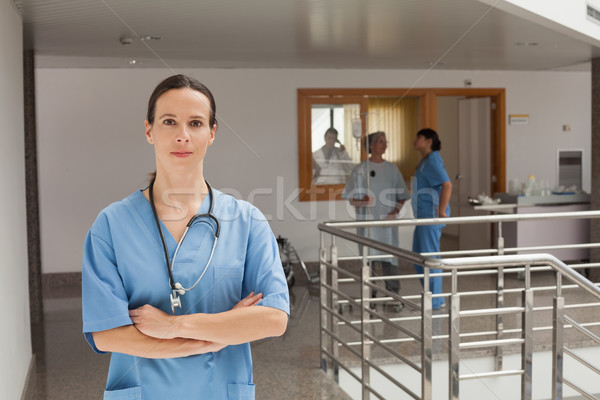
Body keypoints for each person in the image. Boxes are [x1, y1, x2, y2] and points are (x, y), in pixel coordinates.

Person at [82, 74, 290, 400]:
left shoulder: (247, 221)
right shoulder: (111, 225)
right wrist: (219, 333)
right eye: (169, 122)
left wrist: (175, 326)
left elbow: (274, 319)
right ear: (149, 130)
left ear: (212, 133)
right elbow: (107, 333)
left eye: (195, 123)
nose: (182, 136)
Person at [342, 131, 410, 310]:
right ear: (371, 146)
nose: (384, 144)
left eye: (385, 142)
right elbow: (351, 199)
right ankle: (369, 296)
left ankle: (393, 297)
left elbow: (402, 195)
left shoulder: (392, 169)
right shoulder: (360, 170)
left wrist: (394, 211)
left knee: (389, 261)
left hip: (387, 224)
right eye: (380, 142)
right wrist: (363, 200)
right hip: (367, 224)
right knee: (369, 261)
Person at [412, 128, 452, 310]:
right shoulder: (426, 160)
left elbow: (447, 184)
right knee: (418, 256)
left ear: (429, 140)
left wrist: (442, 211)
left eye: (418, 137)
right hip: (423, 216)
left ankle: (436, 301)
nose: (415, 140)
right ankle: (431, 296)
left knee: (430, 258)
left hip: (430, 216)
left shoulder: (433, 160)